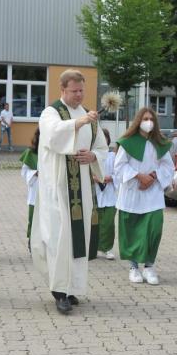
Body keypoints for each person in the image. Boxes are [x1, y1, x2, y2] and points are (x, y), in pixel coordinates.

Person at [31, 69, 109, 314]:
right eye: (74, 91)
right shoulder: (51, 112)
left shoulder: (88, 115)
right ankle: (58, 291)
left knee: (78, 236)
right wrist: (78, 123)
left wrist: (93, 155)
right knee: (58, 236)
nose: (79, 95)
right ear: (62, 90)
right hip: (58, 185)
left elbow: (102, 145)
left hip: (82, 186)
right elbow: (53, 136)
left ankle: (72, 288)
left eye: (82, 90)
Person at [114, 107, 174, 285]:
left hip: (153, 195)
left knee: (154, 230)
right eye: (145, 118)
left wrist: (153, 176)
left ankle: (149, 266)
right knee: (132, 231)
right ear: (138, 121)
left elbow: (168, 166)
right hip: (133, 193)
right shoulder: (127, 142)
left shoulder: (160, 143)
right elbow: (119, 167)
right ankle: (133, 268)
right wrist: (139, 176)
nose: (149, 122)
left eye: (151, 119)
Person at [94, 128, 117, 260]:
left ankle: (107, 248)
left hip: (109, 194)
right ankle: (95, 248)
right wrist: (94, 178)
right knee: (95, 222)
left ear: (108, 140)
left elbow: (119, 172)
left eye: (105, 137)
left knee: (108, 223)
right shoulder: (93, 156)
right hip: (95, 193)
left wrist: (111, 178)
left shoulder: (113, 156)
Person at [20, 127, 40, 252]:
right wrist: (35, 173)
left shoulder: (54, 152)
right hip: (36, 190)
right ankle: (31, 240)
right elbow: (24, 171)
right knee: (33, 217)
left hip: (50, 191)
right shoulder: (31, 153)